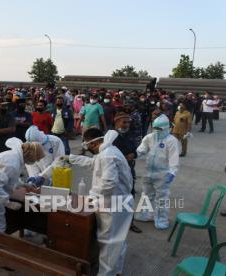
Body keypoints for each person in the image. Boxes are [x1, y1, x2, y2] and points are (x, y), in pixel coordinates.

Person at [68, 129, 133, 276]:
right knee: (118, 240)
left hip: (112, 204)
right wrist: (71, 158)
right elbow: (94, 163)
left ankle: (106, 274)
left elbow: (109, 183)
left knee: (108, 244)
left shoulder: (107, 155)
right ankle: (117, 271)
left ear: (95, 143)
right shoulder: (109, 150)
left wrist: (91, 197)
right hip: (119, 201)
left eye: (89, 146)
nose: (89, 149)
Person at [0, 138, 45, 232]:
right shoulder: (12, 163)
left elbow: (9, 178)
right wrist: (8, 203)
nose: (36, 162)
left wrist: (25, 185)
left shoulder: (15, 156)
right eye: (36, 159)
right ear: (31, 156)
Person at [135, 114, 179, 230]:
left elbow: (174, 159)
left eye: (159, 129)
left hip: (162, 174)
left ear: (165, 128)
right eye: (155, 128)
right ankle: (146, 215)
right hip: (148, 172)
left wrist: (172, 172)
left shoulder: (171, 141)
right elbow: (141, 149)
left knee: (162, 198)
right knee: (146, 195)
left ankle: (161, 220)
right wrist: (134, 154)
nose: (156, 131)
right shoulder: (149, 137)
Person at [112, 112, 142, 233]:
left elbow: (136, 150)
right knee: (114, 197)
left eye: (128, 122)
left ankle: (130, 222)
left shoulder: (130, 135)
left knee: (130, 196)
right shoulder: (110, 136)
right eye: (124, 122)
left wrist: (133, 154)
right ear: (116, 122)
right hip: (115, 172)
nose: (126, 125)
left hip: (129, 171)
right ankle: (114, 222)